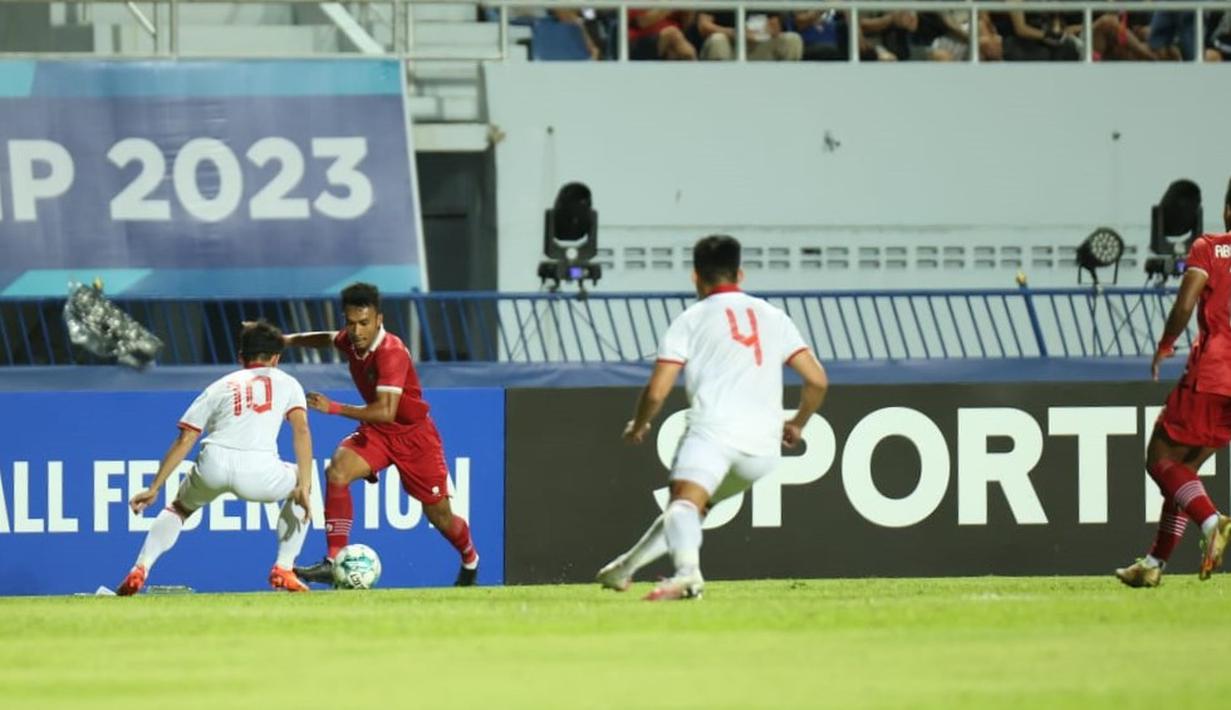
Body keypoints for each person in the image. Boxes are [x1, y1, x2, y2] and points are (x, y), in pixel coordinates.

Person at [596, 235, 829, 600]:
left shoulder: (690, 320)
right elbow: (817, 380)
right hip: (763, 452)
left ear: (695, 277)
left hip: (715, 435)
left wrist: (639, 425)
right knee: (690, 508)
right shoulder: (774, 317)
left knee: (683, 504)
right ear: (740, 273)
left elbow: (657, 391)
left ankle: (688, 574)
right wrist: (798, 423)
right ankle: (624, 569)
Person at [283, 282, 479, 587]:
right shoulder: (351, 339)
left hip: (414, 438)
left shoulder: (391, 352)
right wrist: (287, 340)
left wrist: (333, 408)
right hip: (378, 434)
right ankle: (333, 560)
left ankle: (470, 558)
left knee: (441, 518)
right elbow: (326, 338)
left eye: (364, 323)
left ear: (379, 320)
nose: (357, 331)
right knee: (337, 471)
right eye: (351, 323)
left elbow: (386, 411)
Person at [116, 320, 315, 595]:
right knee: (299, 479)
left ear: (240, 357)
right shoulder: (288, 383)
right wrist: (304, 486)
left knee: (179, 509)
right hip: (260, 471)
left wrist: (154, 487)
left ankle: (141, 567)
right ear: (276, 358)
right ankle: (283, 568)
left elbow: (186, 438)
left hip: (214, 462)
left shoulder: (221, 385)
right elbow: (301, 430)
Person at [1116, 178, 1231, 588]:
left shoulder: (1210, 246)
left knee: (1159, 459)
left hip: (1215, 372)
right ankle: (1153, 563)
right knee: (1185, 472)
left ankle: (1212, 521)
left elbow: (1185, 304)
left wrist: (1165, 344)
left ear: (1227, 210)